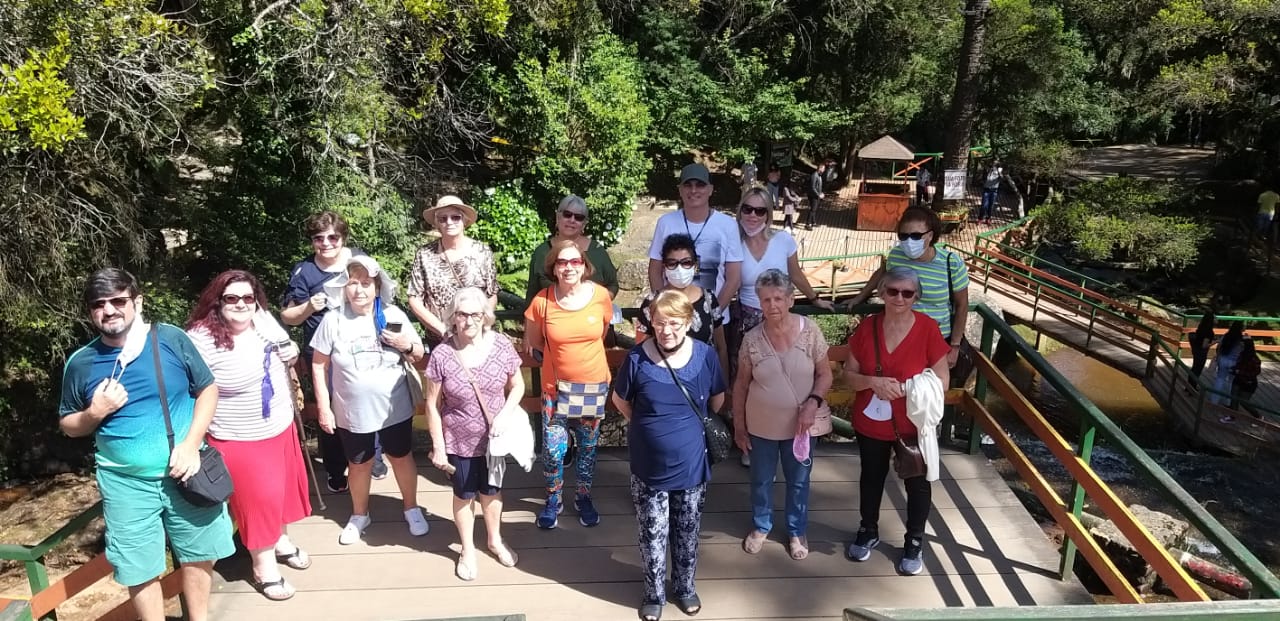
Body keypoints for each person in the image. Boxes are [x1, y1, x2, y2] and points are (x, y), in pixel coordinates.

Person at [59, 268, 234, 621]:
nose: (109, 310)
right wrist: (95, 412)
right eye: (98, 304)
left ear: (137, 302)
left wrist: (191, 444)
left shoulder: (169, 339)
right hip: (125, 483)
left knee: (199, 554)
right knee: (138, 567)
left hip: (187, 471)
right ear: (90, 311)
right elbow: (68, 425)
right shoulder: (81, 363)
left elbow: (208, 389)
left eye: (118, 300)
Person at [186, 270, 312, 601]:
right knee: (258, 501)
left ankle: (281, 541)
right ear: (217, 301)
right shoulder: (200, 339)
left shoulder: (264, 322)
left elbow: (288, 352)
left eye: (248, 298)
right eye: (232, 298)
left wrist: (291, 351)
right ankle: (263, 567)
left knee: (281, 492)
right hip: (238, 436)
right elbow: (192, 389)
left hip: (279, 427)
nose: (241, 304)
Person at [612, 290, 726, 621]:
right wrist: (648, 426)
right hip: (648, 464)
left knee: (687, 528)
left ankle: (685, 587)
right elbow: (620, 401)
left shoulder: (705, 356)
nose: (666, 330)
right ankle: (653, 593)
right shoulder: (636, 359)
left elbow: (717, 399)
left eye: (674, 323)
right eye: (660, 323)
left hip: (691, 461)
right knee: (652, 531)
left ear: (688, 322)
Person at [311, 255, 430, 544]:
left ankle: (411, 508)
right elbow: (318, 365)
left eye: (366, 283)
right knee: (359, 463)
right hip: (351, 411)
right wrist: (324, 408)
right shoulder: (333, 319)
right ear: (344, 286)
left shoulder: (392, 314)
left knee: (401, 457)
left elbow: (419, 355)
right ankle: (359, 514)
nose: (359, 289)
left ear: (377, 287)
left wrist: (406, 344)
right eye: (353, 283)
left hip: (394, 408)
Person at [843, 267, 951, 575]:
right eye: (892, 291)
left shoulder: (928, 328)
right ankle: (868, 529)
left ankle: (914, 540)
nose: (899, 298)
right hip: (872, 421)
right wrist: (872, 382)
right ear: (881, 293)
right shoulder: (868, 327)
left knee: (918, 483)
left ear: (916, 296)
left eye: (907, 293)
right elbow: (848, 375)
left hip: (913, 422)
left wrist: (906, 388)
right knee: (871, 477)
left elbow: (943, 380)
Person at [280, 211, 386, 493]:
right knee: (327, 408)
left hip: (363, 346)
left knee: (368, 399)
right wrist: (309, 307)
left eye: (333, 237)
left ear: (343, 237)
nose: (326, 243)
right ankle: (336, 468)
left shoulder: (360, 260)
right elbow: (288, 316)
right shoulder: (304, 271)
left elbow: (381, 297)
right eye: (319, 238)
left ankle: (374, 457)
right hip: (322, 354)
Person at [733, 269, 833, 562]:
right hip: (761, 425)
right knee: (761, 479)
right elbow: (741, 384)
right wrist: (739, 426)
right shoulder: (752, 339)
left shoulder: (810, 331)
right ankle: (761, 525)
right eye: (766, 300)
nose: (772, 305)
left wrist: (813, 402)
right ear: (759, 303)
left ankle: (796, 530)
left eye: (778, 298)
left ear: (790, 299)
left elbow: (825, 374)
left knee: (799, 480)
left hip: (801, 425)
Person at [425, 287, 523, 581]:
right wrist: (438, 446)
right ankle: (467, 549)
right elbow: (431, 404)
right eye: (462, 314)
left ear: (485, 316)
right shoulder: (442, 354)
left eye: (475, 314)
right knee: (464, 494)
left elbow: (518, 385)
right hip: (458, 440)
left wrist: (504, 414)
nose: (468, 321)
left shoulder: (502, 345)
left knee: (492, 492)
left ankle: (494, 540)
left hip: (493, 440)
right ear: (453, 317)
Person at [524, 239, 614, 529]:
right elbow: (536, 341)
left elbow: (601, 333)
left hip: (592, 386)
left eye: (575, 261)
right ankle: (554, 498)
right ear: (554, 267)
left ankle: (583, 496)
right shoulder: (542, 302)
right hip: (556, 390)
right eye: (562, 262)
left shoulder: (601, 296)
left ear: (584, 265)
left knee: (587, 448)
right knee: (553, 450)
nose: (569, 267)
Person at [730, 187, 835, 382]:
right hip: (746, 320)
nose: (753, 215)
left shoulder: (783, 240)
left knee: (784, 375)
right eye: (747, 209)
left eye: (760, 211)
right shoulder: (732, 243)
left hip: (780, 316)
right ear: (740, 211)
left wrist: (815, 299)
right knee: (746, 378)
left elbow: (796, 274)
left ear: (768, 214)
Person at [847, 207, 969, 374]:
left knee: (931, 387)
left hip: (938, 341)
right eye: (904, 236)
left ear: (930, 235)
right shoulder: (897, 255)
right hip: (899, 339)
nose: (909, 241)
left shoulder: (951, 263)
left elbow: (962, 305)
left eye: (916, 236)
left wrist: (955, 345)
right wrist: (859, 297)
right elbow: (882, 273)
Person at [646, 163, 743, 311]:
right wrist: (664, 308)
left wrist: (714, 314)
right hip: (673, 315)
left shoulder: (728, 225)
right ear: (680, 190)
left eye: (700, 185)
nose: (693, 190)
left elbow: (734, 278)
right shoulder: (665, 223)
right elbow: (655, 270)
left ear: (710, 189)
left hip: (716, 315)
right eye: (688, 185)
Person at [408, 194, 499, 347]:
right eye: (443, 218)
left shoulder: (482, 252)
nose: (449, 222)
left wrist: (481, 327)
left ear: (464, 221)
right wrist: (443, 331)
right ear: (437, 223)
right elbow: (414, 298)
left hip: (477, 338)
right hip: (440, 339)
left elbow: (492, 293)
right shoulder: (424, 255)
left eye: (455, 217)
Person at [637, 233, 727, 370]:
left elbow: (721, 347)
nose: (679, 269)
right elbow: (640, 350)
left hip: (704, 376)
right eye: (672, 263)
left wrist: (723, 380)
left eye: (686, 262)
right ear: (664, 267)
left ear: (695, 265)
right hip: (664, 377)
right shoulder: (651, 303)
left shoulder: (708, 299)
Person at [525, 194, 619, 301]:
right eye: (567, 214)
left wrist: (596, 303)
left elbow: (613, 285)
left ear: (584, 224)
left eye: (579, 217)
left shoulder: (597, 252)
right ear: (558, 217)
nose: (572, 220)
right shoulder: (542, 252)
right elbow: (532, 295)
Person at [1223, 335, 1262, 423]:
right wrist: (1233, 369)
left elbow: (1256, 372)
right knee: (1234, 397)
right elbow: (1238, 366)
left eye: (1242, 345)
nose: (1240, 347)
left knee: (1244, 402)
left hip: (1248, 382)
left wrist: (1239, 372)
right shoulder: (1241, 355)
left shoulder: (1255, 359)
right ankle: (1232, 416)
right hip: (1238, 379)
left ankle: (1258, 416)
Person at [1208, 321, 1245, 407]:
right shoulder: (1242, 340)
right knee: (1231, 382)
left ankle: (1214, 400)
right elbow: (1243, 351)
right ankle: (1229, 402)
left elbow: (1219, 347)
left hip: (1223, 359)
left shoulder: (1226, 336)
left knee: (1220, 380)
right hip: (1234, 362)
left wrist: (1218, 356)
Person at [1186, 311, 1216, 391]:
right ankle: (1192, 387)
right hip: (1201, 352)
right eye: (1215, 318)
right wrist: (1215, 342)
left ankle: (1188, 386)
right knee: (1197, 370)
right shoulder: (1209, 332)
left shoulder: (1201, 327)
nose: (1216, 319)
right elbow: (1204, 345)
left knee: (1194, 367)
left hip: (1196, 349)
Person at [979, 160, 1007, 224]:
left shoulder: (1000, 171)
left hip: (994, 190)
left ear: (997, 165)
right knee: (984, 205)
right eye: (993, 163)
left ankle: (988, 219)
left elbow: (1002, 178)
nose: (993, 165)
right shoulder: (989, 170)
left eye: (995, 164)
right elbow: (984, 176)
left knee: (991, 206)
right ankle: (980, 218)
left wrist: (999, 172)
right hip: (986, 189)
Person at [806, 160, 827, 230]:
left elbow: (818, 186)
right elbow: (812, 187)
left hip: (817, 195)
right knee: (812, 209)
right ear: (820, 168)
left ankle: (813, 222)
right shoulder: (814, 175)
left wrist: (821, 192)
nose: (824, 170)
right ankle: (808, 224)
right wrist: (818, 195)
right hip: (813, 195)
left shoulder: (819, 175)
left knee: (814, 209)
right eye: (823, 168)